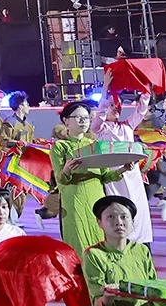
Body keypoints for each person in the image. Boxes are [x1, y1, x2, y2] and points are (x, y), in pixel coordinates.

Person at [48, 100, 120, 265]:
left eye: (86, 118)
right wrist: (66, 169)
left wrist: (122, 170)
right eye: (78, 117)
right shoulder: (60, 147)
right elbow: (60, 179)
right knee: (79, 244)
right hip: (75, 200)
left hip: (98, 198)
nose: (83, 121)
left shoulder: (94, 145)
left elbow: (105, 176)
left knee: (101, 239)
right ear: (66, 121)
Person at [93, 94, 155, 245]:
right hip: (115, 177)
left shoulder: (127, 126)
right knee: (118, 208)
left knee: (138, 208)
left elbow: (141, 110)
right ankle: (120, 242)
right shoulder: (99, 128)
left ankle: (141, 243)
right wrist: (106, 87)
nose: (116, 109)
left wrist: (145, 91)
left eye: (119, 106)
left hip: (132, 175)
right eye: (112, 105)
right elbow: (100, 114)